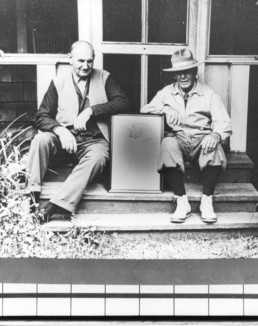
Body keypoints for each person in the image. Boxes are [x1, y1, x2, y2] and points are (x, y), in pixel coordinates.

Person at [26, 40, 130, 223]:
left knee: (99, 157)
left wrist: (92, 110)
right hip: (63, 140)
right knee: (40, 141)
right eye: (81, 61)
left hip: (94, 140)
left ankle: (56, 205)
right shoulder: (58, 82)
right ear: (70, 59)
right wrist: (60, 130)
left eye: (90, 61)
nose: (85, 66)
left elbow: (123, 102)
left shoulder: (105, 77)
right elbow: (41, 116)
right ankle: (32, 195)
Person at [140, 48, 232, 224]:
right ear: (174, 75)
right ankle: (182, 201)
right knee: (167, 143)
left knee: (216, 147)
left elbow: (224, 122)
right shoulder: (167, 92)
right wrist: (165, 108)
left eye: (187, 72)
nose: (182, 77)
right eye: (178, 73)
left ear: (194, 72)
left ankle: (207, 200)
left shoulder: (209, 93)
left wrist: (215, 134)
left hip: (201, 139)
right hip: (179, 139)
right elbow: (145, 109)